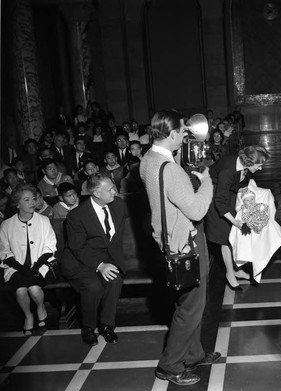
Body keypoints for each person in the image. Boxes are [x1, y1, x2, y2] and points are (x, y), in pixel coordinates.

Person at [140, 110, 220, 386]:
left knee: (190, 302)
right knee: (191, 307)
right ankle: (170, 364)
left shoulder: (148, 160)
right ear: (172, 134)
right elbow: (197, 210)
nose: (185, 136)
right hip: (185, 240)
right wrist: (207, 180)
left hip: (168, 238)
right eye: (182, 132)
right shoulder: (171, 170)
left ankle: (194, 353)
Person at [60, 173, 127, 346]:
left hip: (105, 258)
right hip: (79, 261)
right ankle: (88, 327)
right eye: (110, 189)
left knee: (115, 279)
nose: (115, 191)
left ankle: (106, 326)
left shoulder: (118, 204)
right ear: (97, 193)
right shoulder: (77, 216)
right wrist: (99, 266)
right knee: (93, 286)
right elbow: (77, 248)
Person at [205, 145, 271, 290]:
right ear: (250, 161)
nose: (260, 169)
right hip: (214, 196)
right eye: (259, 165)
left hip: (226, 193)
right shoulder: (228, 171)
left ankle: (237, 269)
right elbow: (219, 202)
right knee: (225, 238)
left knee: (234, 236)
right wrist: (236, 222)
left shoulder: (244, 166)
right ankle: (230, 273)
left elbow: (241, 186)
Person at [0, 184, 57, 335]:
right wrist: (20, 267)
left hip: (41, 265)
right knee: (20, 291)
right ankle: (28, 316)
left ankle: (40, 308)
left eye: (33, 199)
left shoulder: (43, 221)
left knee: (34, 289)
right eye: (26, 200)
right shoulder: (6, 225)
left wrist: (36, 265)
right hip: (16, 268)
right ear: (17, 204)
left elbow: (50, 246)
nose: (32, 203)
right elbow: (3, 251)